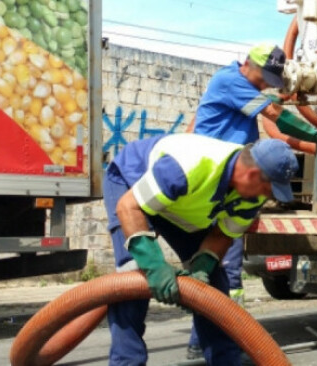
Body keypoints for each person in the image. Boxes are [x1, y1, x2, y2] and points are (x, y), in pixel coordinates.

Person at [186, 42, 317, 359]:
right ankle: (217, 341)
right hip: (213, 182)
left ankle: (211, 339)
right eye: (264, 78)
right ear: (247, 65)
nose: (265, 85)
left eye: (270, 81)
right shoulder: (230, 80)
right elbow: (272, 112)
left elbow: (271, 110)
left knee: (222, 267)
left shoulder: (242, 87)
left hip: (231, 184)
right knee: (223, 267)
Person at [104, 133, 298, 366]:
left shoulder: (252, 196)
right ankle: (126, 362)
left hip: (179, 208)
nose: (267, 198)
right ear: (253, 174)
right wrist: (154, 266)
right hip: (131, 184)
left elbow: (222, 234)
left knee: (214, 285)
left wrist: (203, 266)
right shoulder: (189, 166)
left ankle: (225, 362)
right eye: (268, 190)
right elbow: (128, 206)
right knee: (133, 278)